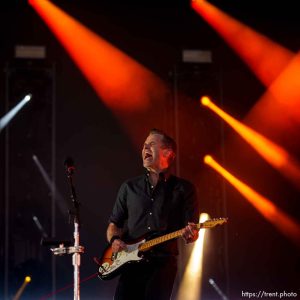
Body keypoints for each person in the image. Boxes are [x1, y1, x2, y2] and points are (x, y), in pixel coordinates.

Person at [106, 128, 200, 300]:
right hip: (131, 264)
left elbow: (192, 233)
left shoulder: (184, 189)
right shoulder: (129, 187)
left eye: (151, 144)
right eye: (144, 146)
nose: (145, 149)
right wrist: (114, 240)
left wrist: (191, 234)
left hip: (162, 265)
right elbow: (113, 225)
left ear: (169, 154)